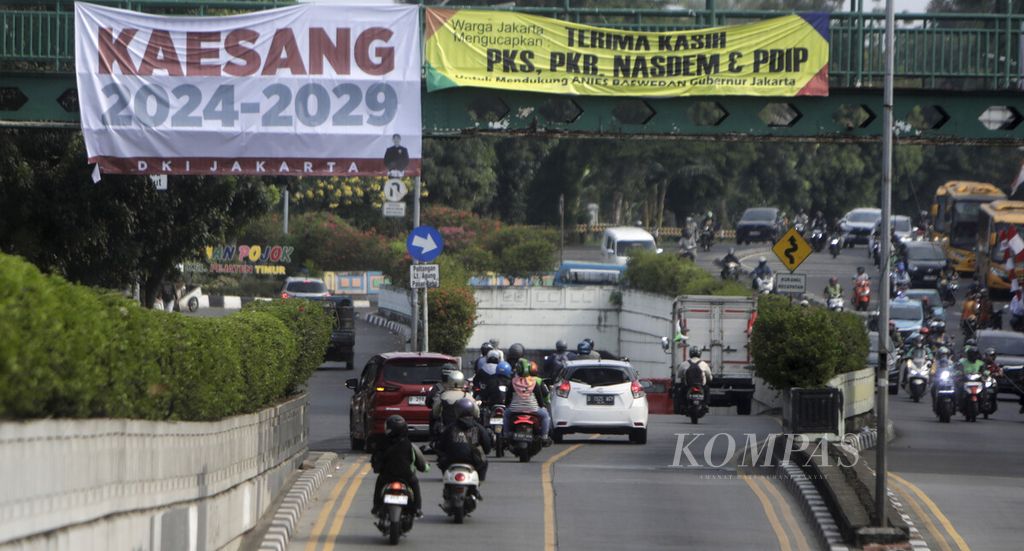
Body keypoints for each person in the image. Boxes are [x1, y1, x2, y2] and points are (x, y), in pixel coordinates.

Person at [371, 415, 427, 518]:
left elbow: (375, 460)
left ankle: (377, 506)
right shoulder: (408, 444)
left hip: (387, 476)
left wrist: (377, 468)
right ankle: (417, 509)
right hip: (406, 476)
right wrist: (424, 468)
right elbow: (420, 462)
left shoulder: (382, 443)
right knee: (415, 484)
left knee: (379, 484)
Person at [437, 398, 492, 485]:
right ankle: (479, 481)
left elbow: (440, 446)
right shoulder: (479, 428)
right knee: (484, 462)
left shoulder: (450, 428)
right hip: (474, 460)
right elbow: (487, 447)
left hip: (451, 460)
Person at [503, 358, 552, 445]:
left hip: (515, 410)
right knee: (545, 416)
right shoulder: (533, 382)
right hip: (533, 409)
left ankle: (506, 435)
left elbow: (508, 397)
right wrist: (541, 406)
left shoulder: (513, 382)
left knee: (505, 415)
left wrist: (507, 404)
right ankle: (544, 436)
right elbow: (539, 397)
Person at [431, 370, 478, 437]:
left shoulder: (443, 395)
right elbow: (477, 413)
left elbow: (435, 413)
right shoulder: (467, 396)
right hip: (465, 430)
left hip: (447, 430)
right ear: (462, 381)